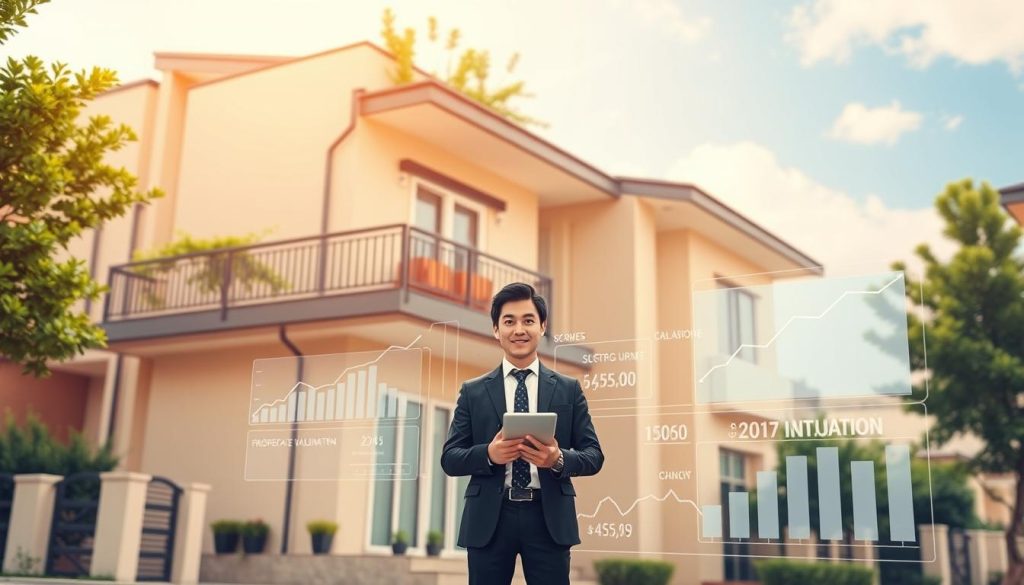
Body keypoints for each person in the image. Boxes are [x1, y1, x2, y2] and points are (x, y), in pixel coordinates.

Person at [441, 282, 604, 585]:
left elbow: (594, 456)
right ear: (496, 329)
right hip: (490, 518)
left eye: (528, 320)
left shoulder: (568, 390)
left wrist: (557, 459)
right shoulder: (473, 392)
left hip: (548, 517)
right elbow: (450, 458)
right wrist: (489, 454)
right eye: (509, 321)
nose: (519, 330)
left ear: (542, 327)